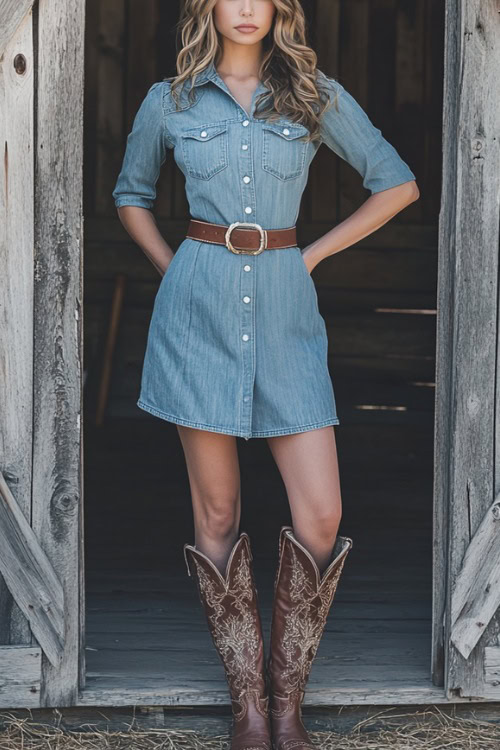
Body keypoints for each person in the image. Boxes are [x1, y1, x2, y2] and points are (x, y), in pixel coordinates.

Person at [112, 1, 419, 748]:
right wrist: (177, 270)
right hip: (198, 317)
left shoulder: (314, 95)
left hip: (286, 318)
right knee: (216, 516)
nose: (246, 8)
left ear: (282, 7)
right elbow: (131, 196)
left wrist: (308, 256)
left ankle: (290, 700)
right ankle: (250, 708)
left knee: (321, 514)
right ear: (207, 8)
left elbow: (397, 183)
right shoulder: (170, 100)